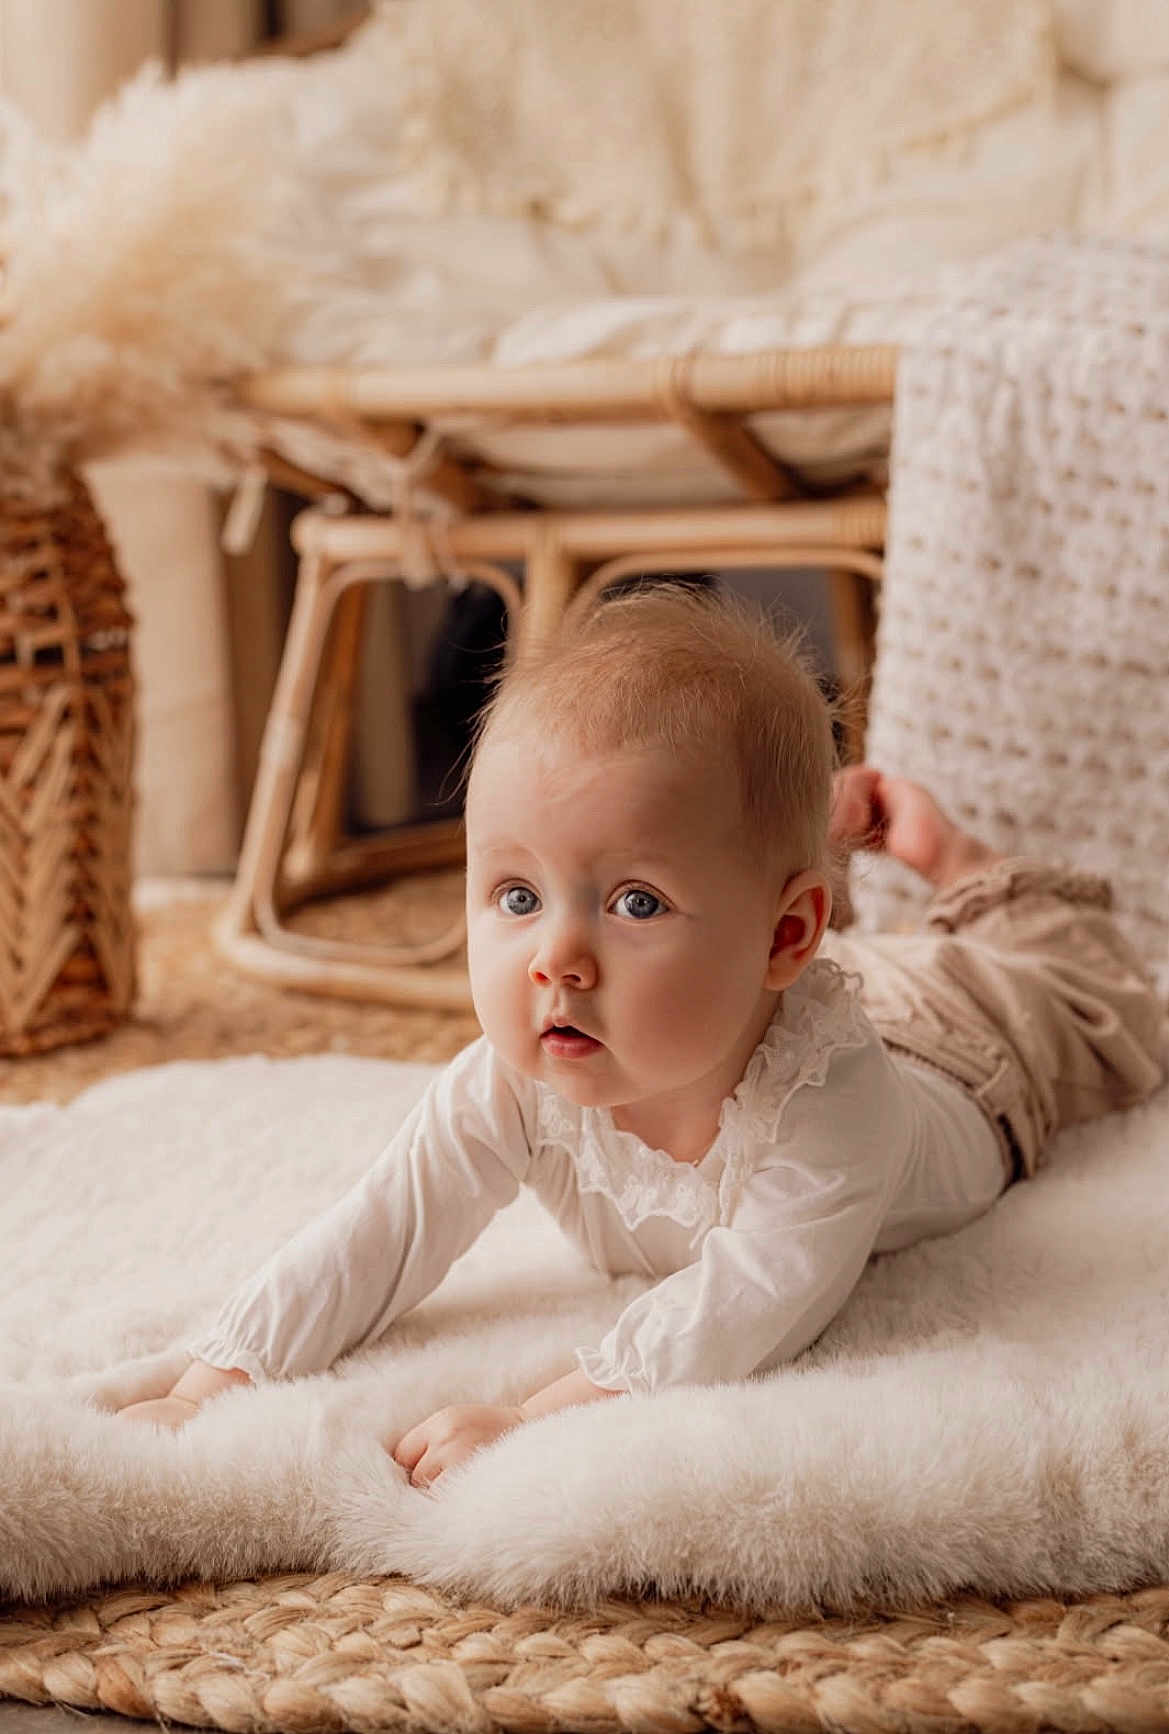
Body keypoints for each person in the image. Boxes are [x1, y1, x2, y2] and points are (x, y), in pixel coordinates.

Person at [118, 584, 1166, 1488]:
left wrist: (536, 1419)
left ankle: (961, 864)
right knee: (869, 962)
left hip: (958, 1054)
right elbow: (379, 1230)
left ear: (787, 933)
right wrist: (218, 1381)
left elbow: (749, 1300)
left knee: (1084, 994)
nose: (555, 959)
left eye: (632, 904)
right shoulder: (510, 1078)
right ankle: (812, 862)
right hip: (759, 993)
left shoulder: (833, 1103)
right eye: (517, 893)